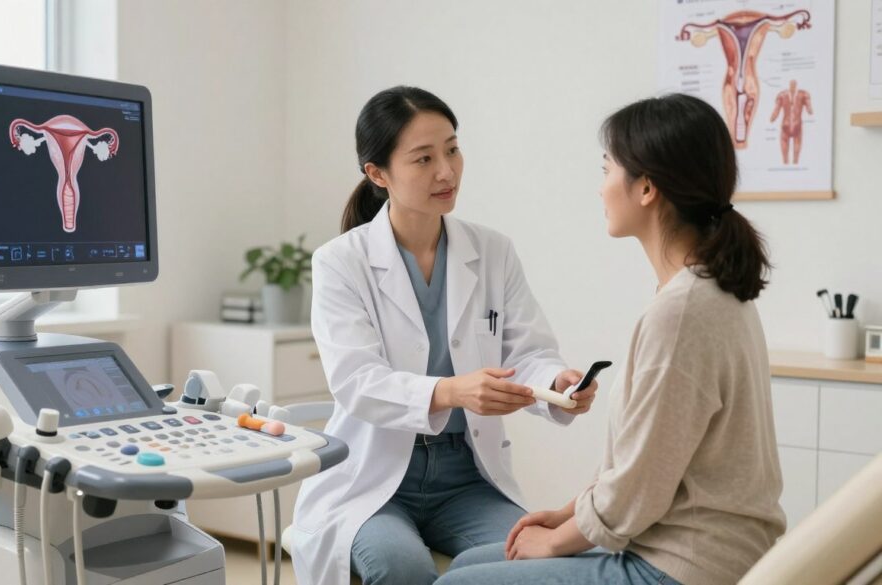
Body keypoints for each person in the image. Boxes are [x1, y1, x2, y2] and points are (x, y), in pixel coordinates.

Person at [436, 93, 786, 585]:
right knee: (476, 564)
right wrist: (568, 512)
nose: (601, 189)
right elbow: (648, 464)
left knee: (457, 583)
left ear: (646, 188)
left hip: (687, 564)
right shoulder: (705, 290)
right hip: (681, 544)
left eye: (607, 170)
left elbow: (637, 490)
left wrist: (556, 540)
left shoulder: (682, 312)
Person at [289, 86, 600, 585]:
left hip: (468, 479)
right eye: (424, 158)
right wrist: (452, 391)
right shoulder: (340, 262)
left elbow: (530, 352)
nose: (446, 171)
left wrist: (557, 385)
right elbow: (356, 380)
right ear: (377, 173)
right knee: (401, 568)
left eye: (452, 149)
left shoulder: (493, 251)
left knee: (529, 559)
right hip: (376, 479)